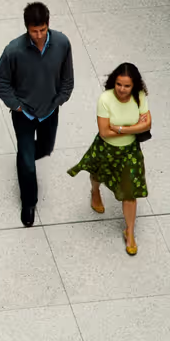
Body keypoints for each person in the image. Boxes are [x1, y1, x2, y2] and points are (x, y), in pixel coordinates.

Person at [0, 2, 74, 226]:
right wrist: (16, 105)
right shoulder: (14, 50)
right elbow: (0, 79)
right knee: (28, 162)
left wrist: (60, 99)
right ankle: (29, 202)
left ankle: (24, 158)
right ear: (26, 28)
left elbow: (67, 77)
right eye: (34, 31)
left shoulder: (62, 43)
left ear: (48, 25)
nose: (38, 36)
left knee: (46, 149)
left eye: (42, 30)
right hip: (24, 114)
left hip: (49, 110)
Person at [68, 63, 151, 255]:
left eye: (127, 86)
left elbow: (147, 125)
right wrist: (133, 127)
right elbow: (104, 132)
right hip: (106, 148)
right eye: (119, 84)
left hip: (130, 151)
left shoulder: (140, 97)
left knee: (129, 193)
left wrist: (121, 129)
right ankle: (95, 191)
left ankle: (129, 233)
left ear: (135, 86)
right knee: (96, 174)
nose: (122, 89)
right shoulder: (105, 99)